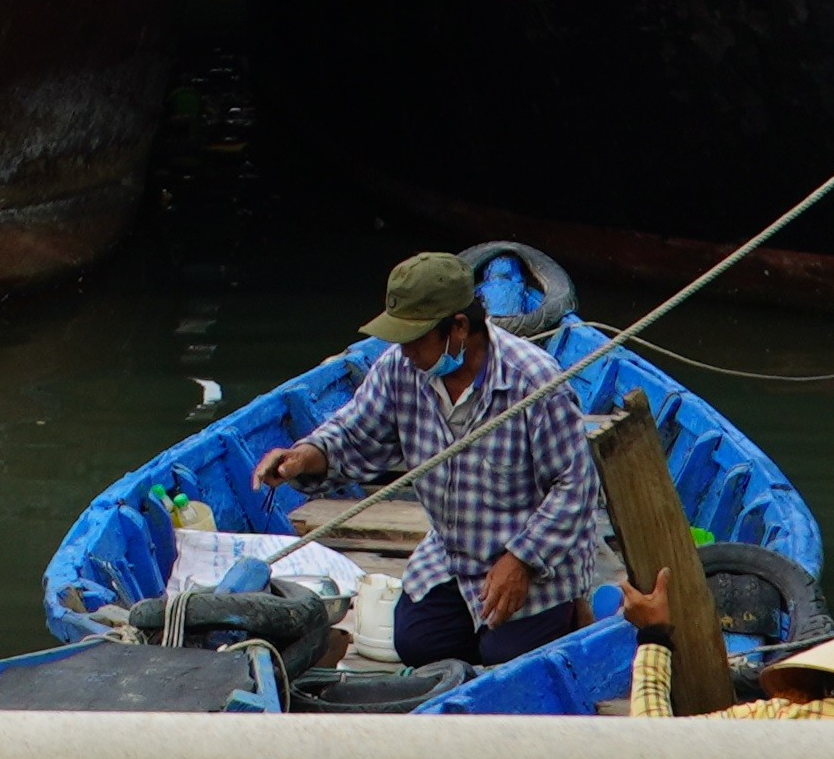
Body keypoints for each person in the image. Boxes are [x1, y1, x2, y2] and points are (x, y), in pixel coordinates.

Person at [249, 249, 615, 671]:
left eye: (414, 339)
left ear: (458, 328)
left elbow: (576, 487)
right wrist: (303, 458)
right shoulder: (399, 370)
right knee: (417, 644)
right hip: (455, 554)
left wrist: (522, 561)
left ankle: (572, 611)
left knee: (506, 658)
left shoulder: (533, 380)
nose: (403, 351)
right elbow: (354, 434)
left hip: (538, 561)